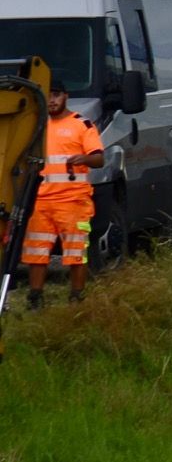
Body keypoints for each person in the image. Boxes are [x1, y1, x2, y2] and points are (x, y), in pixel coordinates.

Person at [21, 81, 104, 310]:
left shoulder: (81, 124)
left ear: (65, 96)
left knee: (76, 253)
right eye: (47, 95)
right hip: (40, 201)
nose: (51, 100)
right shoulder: (36, 126)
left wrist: (83, 158)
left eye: (56, 95)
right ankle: (35, 298)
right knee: (36, 252)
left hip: (73, 201)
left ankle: (77, 296)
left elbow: (99, 159)